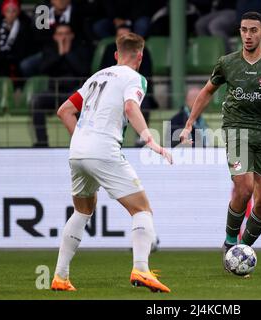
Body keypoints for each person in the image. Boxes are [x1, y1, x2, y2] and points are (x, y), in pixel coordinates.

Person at [51, 32, 172, 293]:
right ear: (139, 56)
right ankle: (141, 268)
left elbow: (64, 111)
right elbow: (131, 107)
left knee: (82, 211)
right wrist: (150, 139)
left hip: (77, 151)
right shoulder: (135, 77)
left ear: (116, 55)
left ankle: (60, 276)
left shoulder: (97, 76)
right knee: (142, 209)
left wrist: (84, 140)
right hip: (104, 149)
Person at [179, 12, 261, 265]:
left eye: (253, 30)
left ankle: (242, 250)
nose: (248, 35)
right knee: (244, 188)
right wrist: (189, 123)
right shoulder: (227, 62)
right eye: (244, 30)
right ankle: (230, 242)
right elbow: (206, 92)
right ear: (239, 32)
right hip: (237, 130)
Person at [31, 23, 91, 147]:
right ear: (55, 37)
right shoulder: (49, 50)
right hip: (54, 91)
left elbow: (83, 70)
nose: (63, 37)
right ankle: (42, 142)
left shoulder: (80, 48)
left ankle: (81, 144)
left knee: (83, 103)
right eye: (60, 34)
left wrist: (68, 53)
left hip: (73, 92)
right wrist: (60, 53)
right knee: (37, 100)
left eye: (66, 34)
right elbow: (43, 69)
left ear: (72, 35)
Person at [0, 0, 34, 79]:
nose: (11, 14)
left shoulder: (24, 27)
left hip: (17, 58)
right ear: (3, 12)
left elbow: (25, 47)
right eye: (8, 11)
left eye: (14, 11)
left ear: (18, 12)